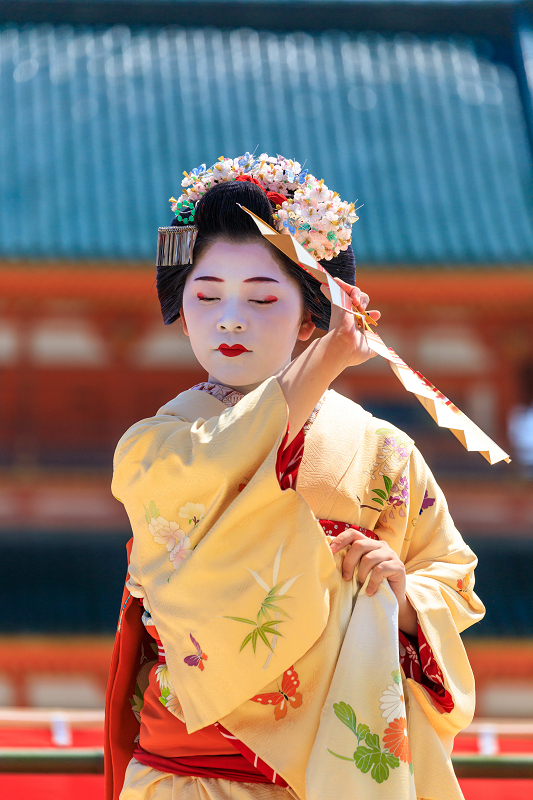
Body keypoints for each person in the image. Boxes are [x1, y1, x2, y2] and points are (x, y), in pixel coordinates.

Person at [105, 155, 484, 800]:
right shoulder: (157, 447)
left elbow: (449, 573)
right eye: (205, 295)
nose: (230, 318)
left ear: (310, 314)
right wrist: (327, 362)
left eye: (260, 297)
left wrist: (402, 596)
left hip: (330, 769)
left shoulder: (383, 453)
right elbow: (227, 464)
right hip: (190, 776)